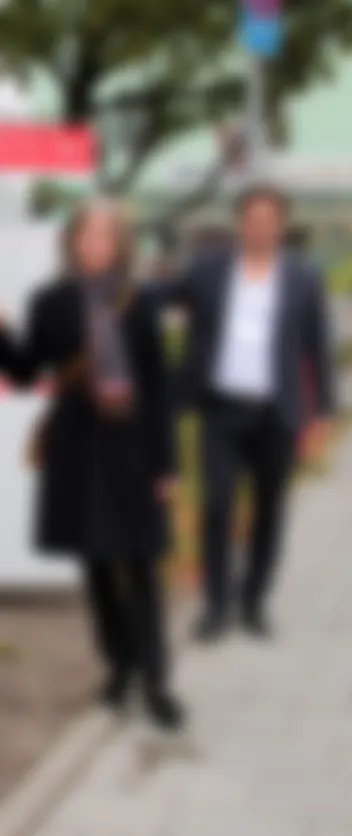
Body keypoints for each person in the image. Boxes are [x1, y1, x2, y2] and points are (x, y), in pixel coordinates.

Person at [0, 198, 183, 729]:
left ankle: (155, 682)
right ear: (74, 241)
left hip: (133, 448)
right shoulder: (52, 302)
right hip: (78, 451)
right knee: (98, 568)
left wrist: (166, 465)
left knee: (143, 568)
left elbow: (158, 385)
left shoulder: (140, 300)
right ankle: (119, 668)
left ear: (118, 244)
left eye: (105, 237)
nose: (95, 245)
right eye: (86, 236)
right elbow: (28, 368)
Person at [171, 185, 333, 641]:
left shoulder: (301, 278)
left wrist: (318, 414)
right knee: (217, 504)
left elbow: (315, 348)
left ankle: (253, 603)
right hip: (220, 411)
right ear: (241, 223)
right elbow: (165, 299)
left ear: (280, 225)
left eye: (270, 219)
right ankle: (217, 607)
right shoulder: (209, 270)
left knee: (269, 510)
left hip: (275, 414)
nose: (261, 227)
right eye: (253, 218)